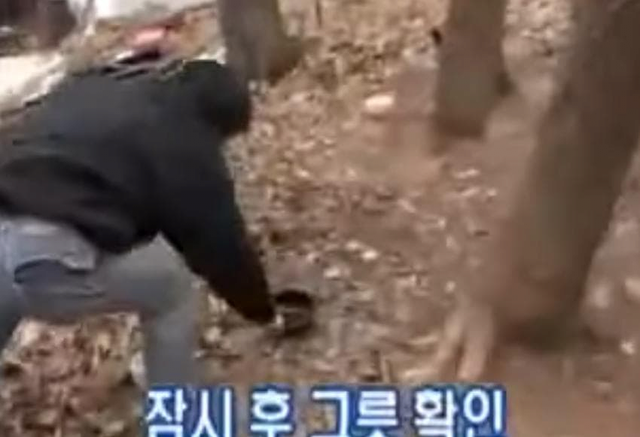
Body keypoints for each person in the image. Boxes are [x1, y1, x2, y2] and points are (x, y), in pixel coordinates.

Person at [0, 58, 280, 387]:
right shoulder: (185, 140)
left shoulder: (101, 85)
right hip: (35, 259)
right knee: (173, 288)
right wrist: (263, 311)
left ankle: (158, 361)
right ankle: (172, 399)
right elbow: (221, 248)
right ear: (217, 124)